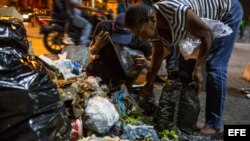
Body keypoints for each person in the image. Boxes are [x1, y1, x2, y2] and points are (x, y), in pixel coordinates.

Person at [124, 0, 243, 135]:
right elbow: (158, 54)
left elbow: (206, 35)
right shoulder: (154, 26)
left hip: (227, 12)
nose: (142, 38)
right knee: (185, 69)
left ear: (152, 19)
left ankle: (213, 124)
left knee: (215, 66)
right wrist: (148, 84)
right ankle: (188, 119)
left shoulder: (177, 12)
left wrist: (198, 67)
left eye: (141, 32)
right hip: (203, 25)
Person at [87, 13, 152, 88]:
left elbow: (153, 66)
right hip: (103, 68)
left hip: (126, 74)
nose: (119, 42)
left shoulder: (141, 38)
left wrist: (146, 63)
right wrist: (97, 46)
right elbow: (92, 52)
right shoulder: (104, 28)